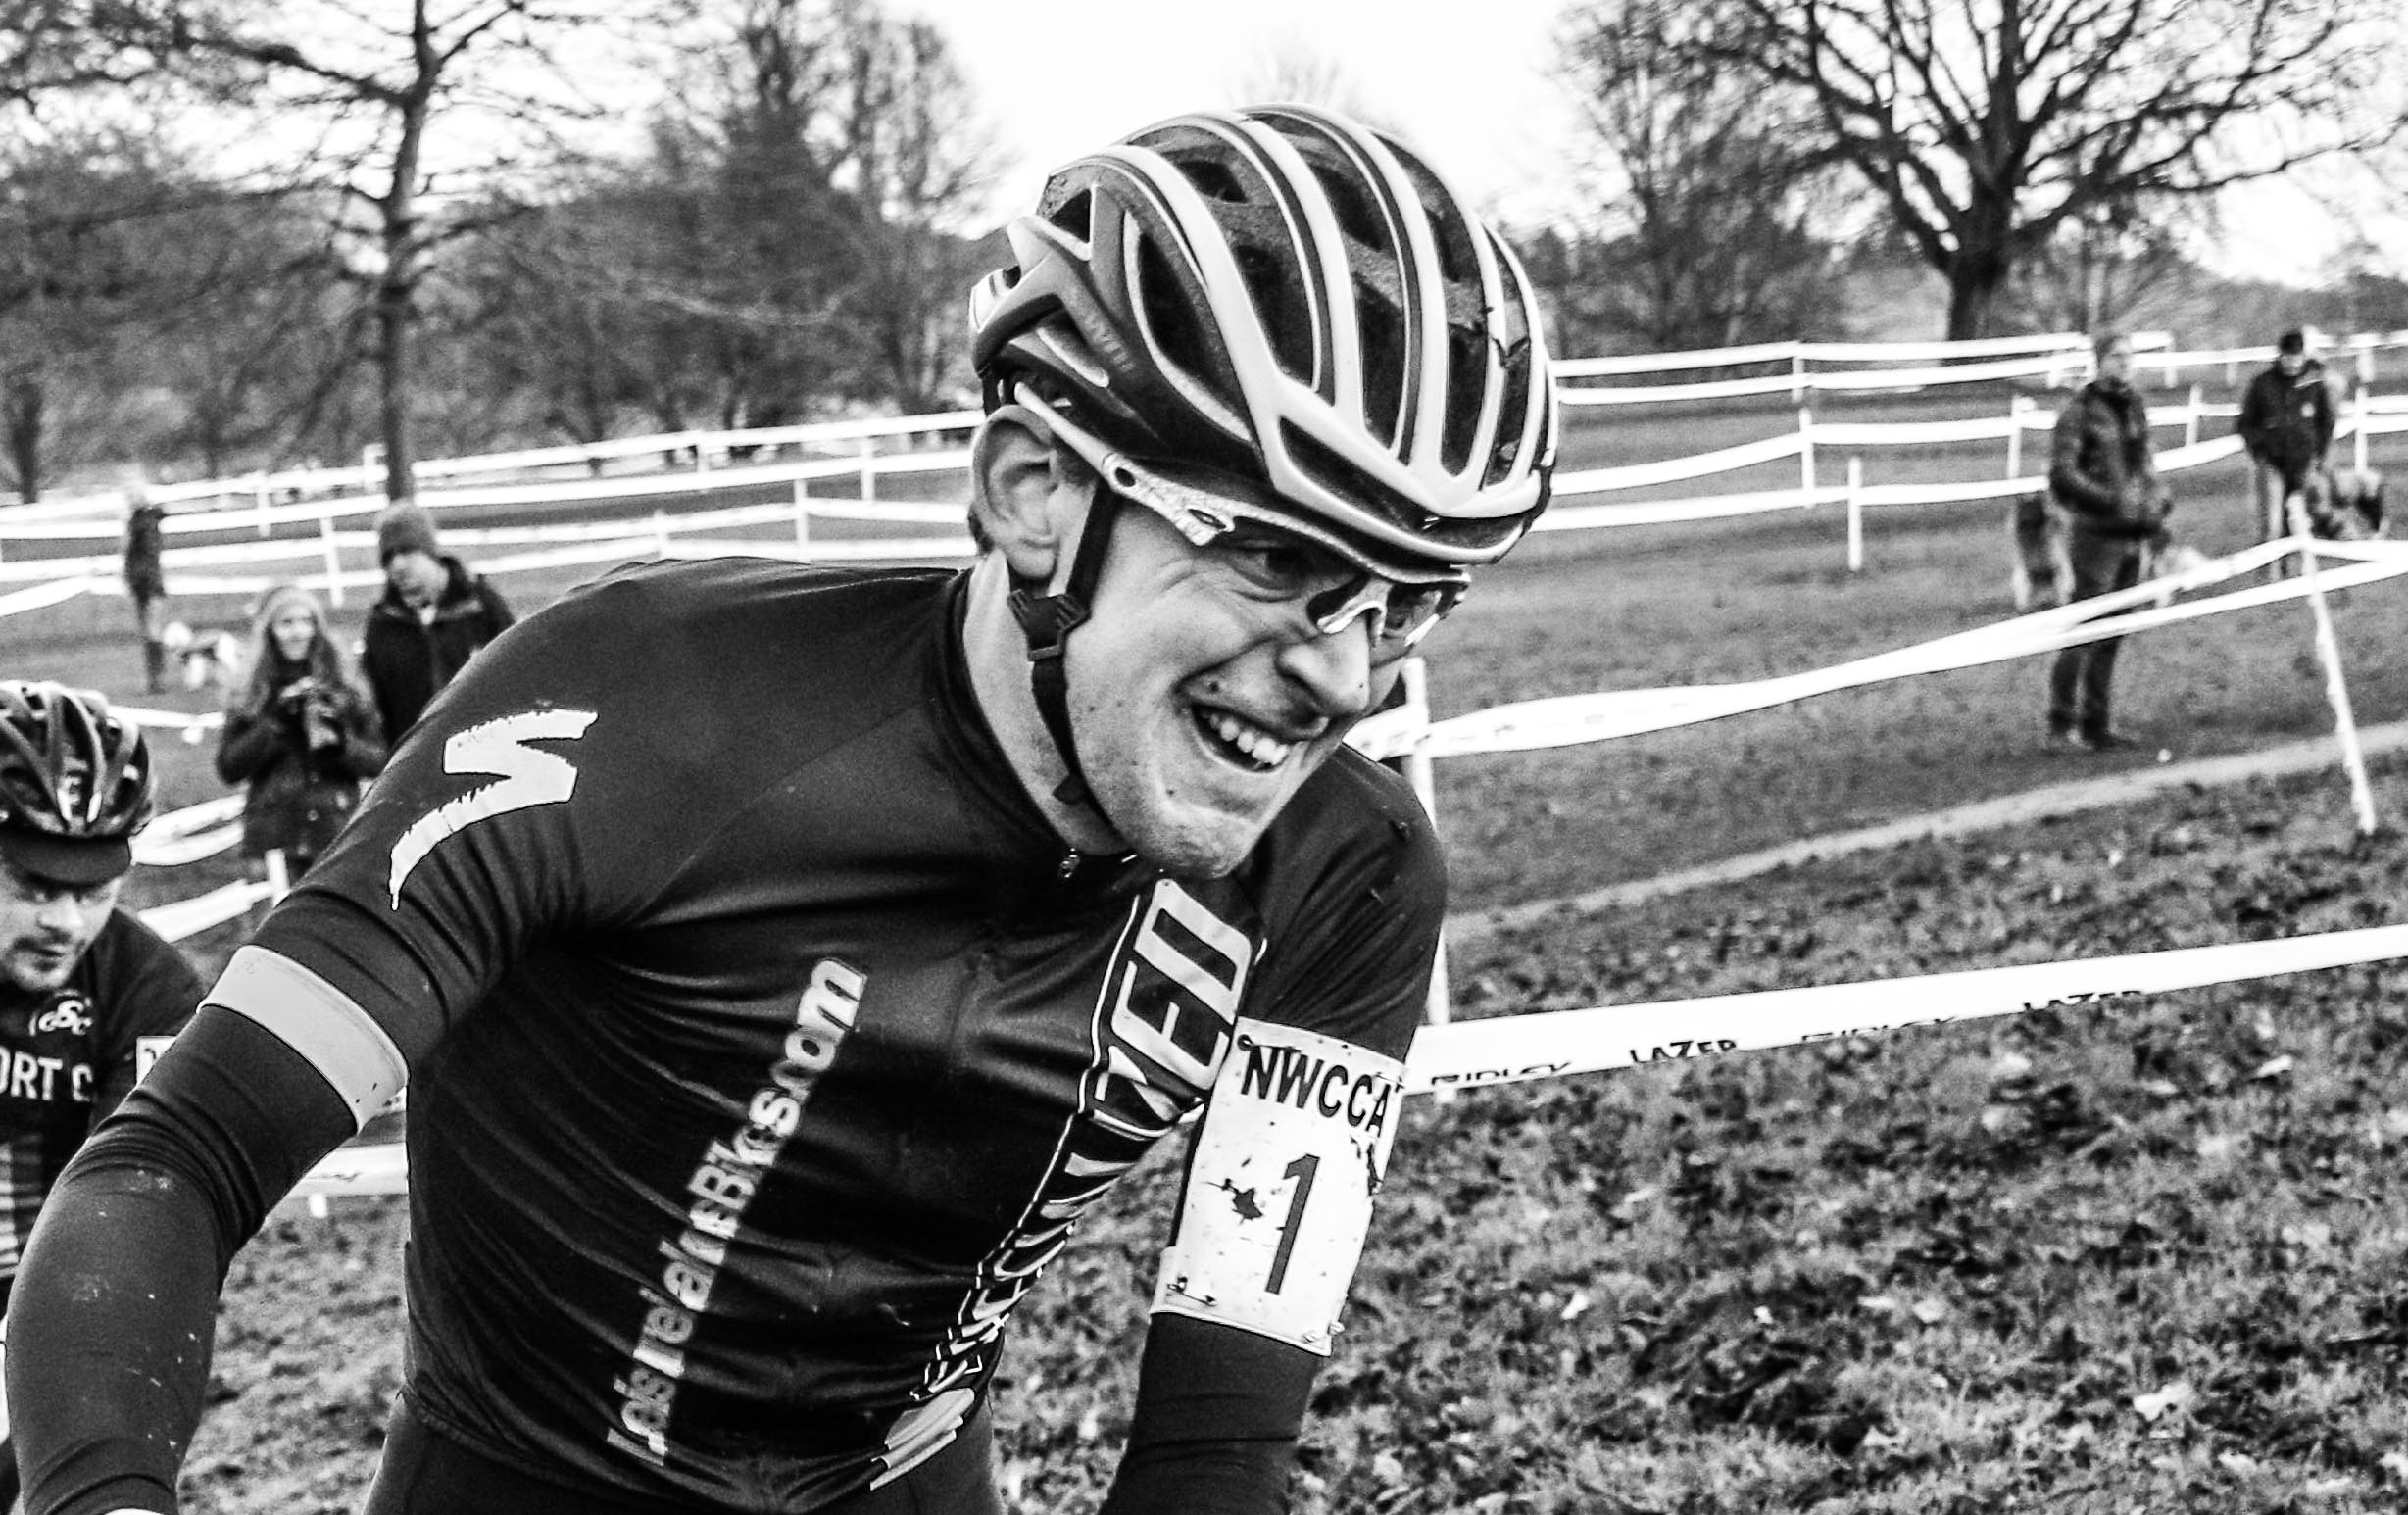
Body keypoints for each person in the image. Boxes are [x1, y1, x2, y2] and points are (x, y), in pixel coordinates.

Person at [9, 104, 1557, 1515]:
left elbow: (1217, 1453)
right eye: (1276, 558)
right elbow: (176, 1161)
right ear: (1035, 493)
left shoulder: (1347, 872)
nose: (1343, 673)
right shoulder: (630, 709)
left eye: (1411, 596)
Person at [0, 682, 202, 1510]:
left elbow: (133, 1208)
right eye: (34, 885)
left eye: (93, 890)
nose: (66, 921)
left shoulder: (149, 987)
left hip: (43, 1296)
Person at [2044, 331, 2171, 753]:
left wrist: (2157, 499)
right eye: (2116, 356)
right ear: (2099, 361)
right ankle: (2061, 724)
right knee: (2085, 631)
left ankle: (2097, 723)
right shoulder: (2079, 412)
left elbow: (2145, 463)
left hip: (2133, 536)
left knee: (2114, 633)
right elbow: (2063, 474)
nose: (2125, 363)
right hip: (2095, 537)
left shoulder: (2134, 407)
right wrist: (2109, 500)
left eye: (2129, 356)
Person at [215, 584, 388, 879]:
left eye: (307, 621)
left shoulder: (346, 688)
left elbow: (377, 760)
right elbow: (229, 768)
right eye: (287, 623)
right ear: (270, 631)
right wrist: (274, 725)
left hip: (336, 830)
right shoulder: (250, 694)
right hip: (273, 836)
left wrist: (339, 744)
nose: (298, 632)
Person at [358, 499, 516, 744]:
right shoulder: (382, 625)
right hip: (415, 755)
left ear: (429, 551)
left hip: (487, 747)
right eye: (388, 557)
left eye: (406, 551)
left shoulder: (481, 606)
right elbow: (377, 709)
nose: (397, 565)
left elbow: (515, 676)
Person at [2236, 328, 2336, 554]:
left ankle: (2308, 568)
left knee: (2310, 520)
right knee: (2271, 528)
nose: (2293, 363)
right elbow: (2246, 424)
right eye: (2289, 357)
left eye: (2297, 357)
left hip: (2305, 463)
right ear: (2280, 355)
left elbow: (2326, 422)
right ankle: (2271, 571)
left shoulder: (2315, 385)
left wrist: (2319, 452)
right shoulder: (2262, 385)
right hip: (2272, 463)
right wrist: (2260, 448)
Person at [121, 489, 170, 695]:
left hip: (144, 582)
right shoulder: (150, 520)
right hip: (149, 581)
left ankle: (154, 679)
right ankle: (155, 678)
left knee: (150, 631)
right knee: (152, 631)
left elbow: (129, 553)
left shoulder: (138, 525)